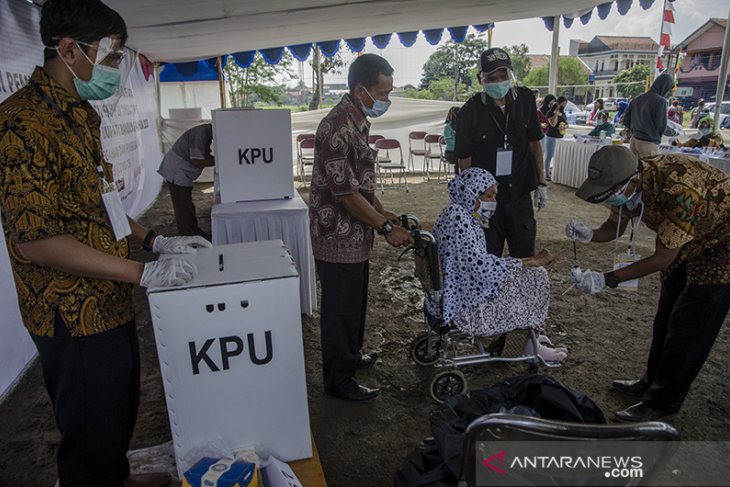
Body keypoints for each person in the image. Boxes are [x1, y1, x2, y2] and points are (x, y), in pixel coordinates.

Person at [0, 1, 211, 485]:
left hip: (108, 298)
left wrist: (157, 240)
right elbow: (34, 242)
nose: (116, 68)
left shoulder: (81, 114)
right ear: (70, 49)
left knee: (118, 407)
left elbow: (104, 202)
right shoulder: (21, 124)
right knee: (89, 431)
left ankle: (115, 475)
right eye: (112, 57)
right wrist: (141, 272)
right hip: (69, 312)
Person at [565, 145, 730, 422]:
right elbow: (614, 227)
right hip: (689, 241)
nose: (610, 198)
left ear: (631, 181)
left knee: (691, 325)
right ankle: (651, 381)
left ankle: (661, 403)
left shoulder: (679, 188)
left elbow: (663, 258)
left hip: (722, 245)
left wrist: (607, 279)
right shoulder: (627, 181)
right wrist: (588, 235)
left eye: (611, 192)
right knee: (665, 317)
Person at [309, 54, 413, 402]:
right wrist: (385, 228)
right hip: (336, 237)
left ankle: (351, 356)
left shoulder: (357, 121)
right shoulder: (336, 127)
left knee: (355, 303)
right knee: (340, 311)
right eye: (383, 93)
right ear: (361, 90)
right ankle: (338, 381)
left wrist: (386, 212)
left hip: (355, 236)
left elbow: (361, 184)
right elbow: (346, 195)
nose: (386, 100)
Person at [430, 168, 567, 361]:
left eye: (494, 196)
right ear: (471, 192)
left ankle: (530, 335)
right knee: (536, 277)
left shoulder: (458, 214)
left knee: (531, 274)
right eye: (489, 195)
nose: (493, 202)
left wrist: (527, 263)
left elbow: (476, 265)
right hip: (466, 303)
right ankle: (528, 342)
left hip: (462, 291)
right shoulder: (459, 218)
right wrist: (529, 262)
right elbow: (480, 268)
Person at [455, 47, 547, 259]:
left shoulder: (524, 100)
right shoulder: (470, 111)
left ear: (510, 74)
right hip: (487, 199)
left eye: (502, 76)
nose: (498, 82)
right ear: (481, 79)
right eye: (491, 78)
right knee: (487, 258)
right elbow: (464, 160)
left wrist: (541, 183)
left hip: (520, 194)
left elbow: (535, 144)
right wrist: (472, 199)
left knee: (524, 257)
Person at [157, 123, 214, 241]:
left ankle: (194, 232)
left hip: (181, 172)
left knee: (187, 205)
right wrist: (218, 160)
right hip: (177, 172)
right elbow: (197, 161)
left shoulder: (205, 132)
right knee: (182, 206)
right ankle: (187, 237)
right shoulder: (200, 135)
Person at [622, 73, 675, 157]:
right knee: (650, 169)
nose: (668, 92)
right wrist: (673, 132)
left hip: (634, 141)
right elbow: (661, 125)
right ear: (664, 87)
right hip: (648, 143)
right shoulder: (660, 101)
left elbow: (626, 120)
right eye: (668, 89)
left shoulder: (637, 99)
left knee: (634, 169)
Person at [541, 95, 568, 181]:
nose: (564, 106)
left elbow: (566, 123)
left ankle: (556, 173)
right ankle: (546, 174)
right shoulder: (550, 112)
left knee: (558, 156)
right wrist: (556, 113)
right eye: (563, 104)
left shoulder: (563, 113)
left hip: (560, 136)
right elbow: (553, 124)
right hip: (551, 136)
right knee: (549, 155)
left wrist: (565, 126)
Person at [443, 106, 460, 174]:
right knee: (462, 157)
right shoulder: (447, 128)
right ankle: (458, 175)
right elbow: (449, 143)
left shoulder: (463, 126)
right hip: (451, 152)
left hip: (460, 150)